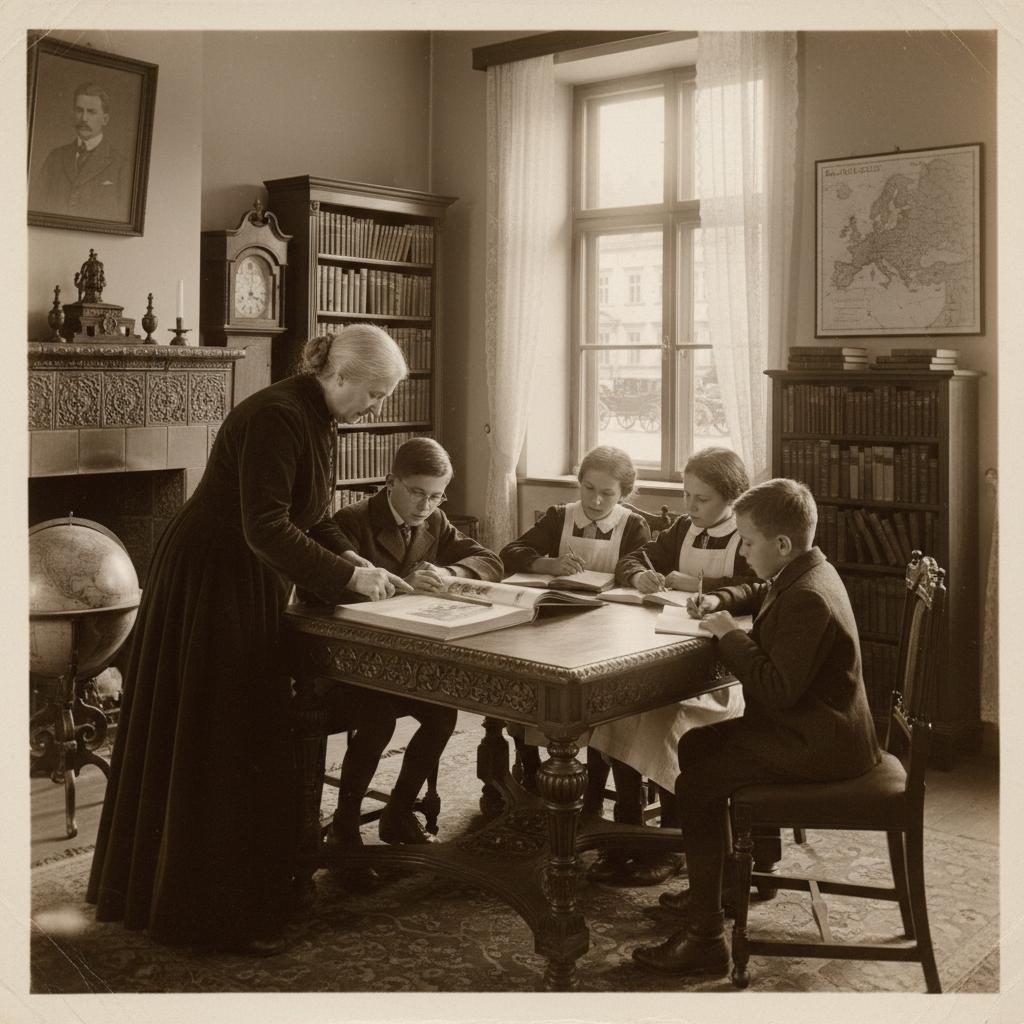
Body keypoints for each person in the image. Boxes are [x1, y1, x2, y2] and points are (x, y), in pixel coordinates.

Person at [86, 326, 412, 957]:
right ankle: (210, 915)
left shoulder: (317, 416)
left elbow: (311, 515)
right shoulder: (277, 415)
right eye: (375, 394)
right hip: (212, 575)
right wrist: (349, 578)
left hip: (244, 572)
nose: (376, 407)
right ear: (340, 376)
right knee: (223, 731)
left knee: (238, 728)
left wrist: (359, 563)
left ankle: (232, 894)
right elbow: (265, 526)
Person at [631, 478, 881, 977]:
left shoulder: (808, 597)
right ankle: (724, 886)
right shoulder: (809, 570)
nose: (742, 552)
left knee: (696, 784)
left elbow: (776, 689)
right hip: (818, 729)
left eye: (747, 542)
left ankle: (705, 939)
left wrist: (729, 635)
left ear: (781, 544)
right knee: (696, 744)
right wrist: (721, 604)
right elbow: (767, 592)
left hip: (818, 744)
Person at [307, 437, 504, 849]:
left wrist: (449, 572)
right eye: (417, 492)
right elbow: (322, 594)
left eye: (436, 496)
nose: (425, 505)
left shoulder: (434, 521)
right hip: (347, 663)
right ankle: (344, 826)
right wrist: (402, 587)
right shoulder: (351, 522)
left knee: (443, 714)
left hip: (403, 663)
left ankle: (397, 814)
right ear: (390, 481)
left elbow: (491, 560)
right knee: (377, 720)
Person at [587, 447, 754, 887]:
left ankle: (671, 841)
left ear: (732, 499)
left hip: (721, 678)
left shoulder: (747, 536)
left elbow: (757, 587)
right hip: (670, 661)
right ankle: (626, 828)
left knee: (667, 725)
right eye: (686, 495)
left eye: (702, 499)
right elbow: (633, 558)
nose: (690, 507)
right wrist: (639, 575)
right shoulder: (682, 528)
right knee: (621, 711)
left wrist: (707, 588)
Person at [498, 445, 651, 802]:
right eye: (588, 488)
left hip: (610, 630)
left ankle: (595, 786)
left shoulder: (633, 525)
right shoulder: (559, 517)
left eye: (607, 493)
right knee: (529, 686)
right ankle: (530, 768)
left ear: (624, 494)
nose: (595, 501)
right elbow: (510, 553)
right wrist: (548, 564)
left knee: (603, 704)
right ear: (579, 483)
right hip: (556, 624)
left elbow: (637, 567)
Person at [33, 82, 131, 221]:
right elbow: (36, 205)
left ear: (105, 119)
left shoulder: (122, 166)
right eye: (79, 110)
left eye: (91, 112)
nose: (84, 118)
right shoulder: (55, 157)